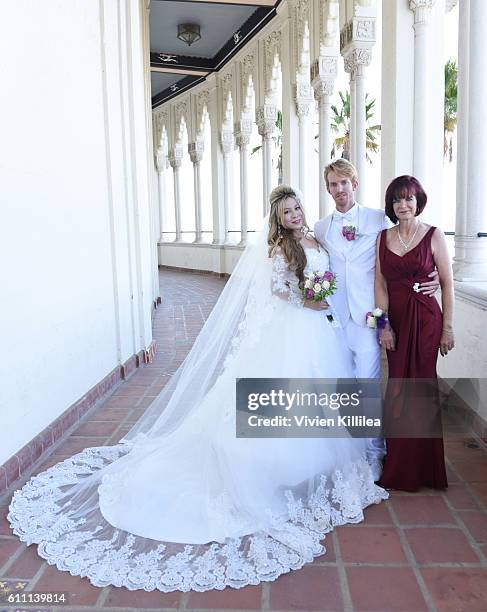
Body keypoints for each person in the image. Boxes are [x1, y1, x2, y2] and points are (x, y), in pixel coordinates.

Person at [8, 186, 388, 593]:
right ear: (277, 219)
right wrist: (306, 299)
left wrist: (321, 296)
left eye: (297, 208)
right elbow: (278, 290)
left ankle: (310, 466)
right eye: (287, 212)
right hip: (297, 324)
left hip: (320, 328)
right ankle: (272, 468)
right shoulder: (281, 250)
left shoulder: (316, 237)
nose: (294, 215)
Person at [314, 159, 440, 481]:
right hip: (334, 320)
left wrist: (434, 275)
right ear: (328, 188)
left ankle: (374, 454)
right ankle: (348, 450)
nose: (339, 190)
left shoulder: (377, 219)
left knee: (368, 386)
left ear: (354, 184)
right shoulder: (321, 227)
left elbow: (403, 248)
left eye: (344, 183)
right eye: (333, 184)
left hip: (368, 317)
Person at [374, 175, 454, 491]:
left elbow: (447, 284)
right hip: (396, 321)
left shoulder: (434, 235)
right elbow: (379, 286)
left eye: (408, 198)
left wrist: (448, 328)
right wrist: (382, 327)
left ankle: (425, 468)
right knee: (397, 388)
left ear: (418, 201)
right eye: (397, 199)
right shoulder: (382, 237)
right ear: (390, 205)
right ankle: (398, 464)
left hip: (426, 322)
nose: (403, 204)